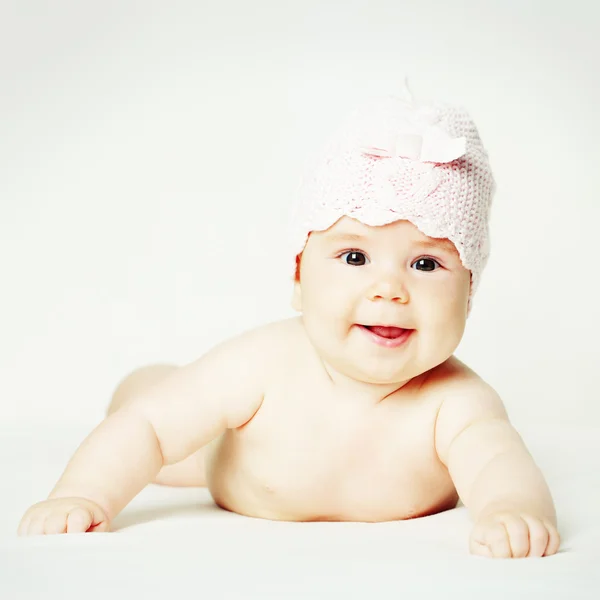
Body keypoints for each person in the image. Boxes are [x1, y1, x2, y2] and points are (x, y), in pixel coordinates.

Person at [17, 84, 560, 559]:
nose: (389, 289)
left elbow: (499, 469)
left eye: (426, 264)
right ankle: (146, 384)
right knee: (154, 418)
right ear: (299, 278)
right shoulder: (261, 365)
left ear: (468, 296)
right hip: (226, 465)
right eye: (354, 257)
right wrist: (83, 495)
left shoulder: (458, 402)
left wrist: (510, 511)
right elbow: (150, 430)